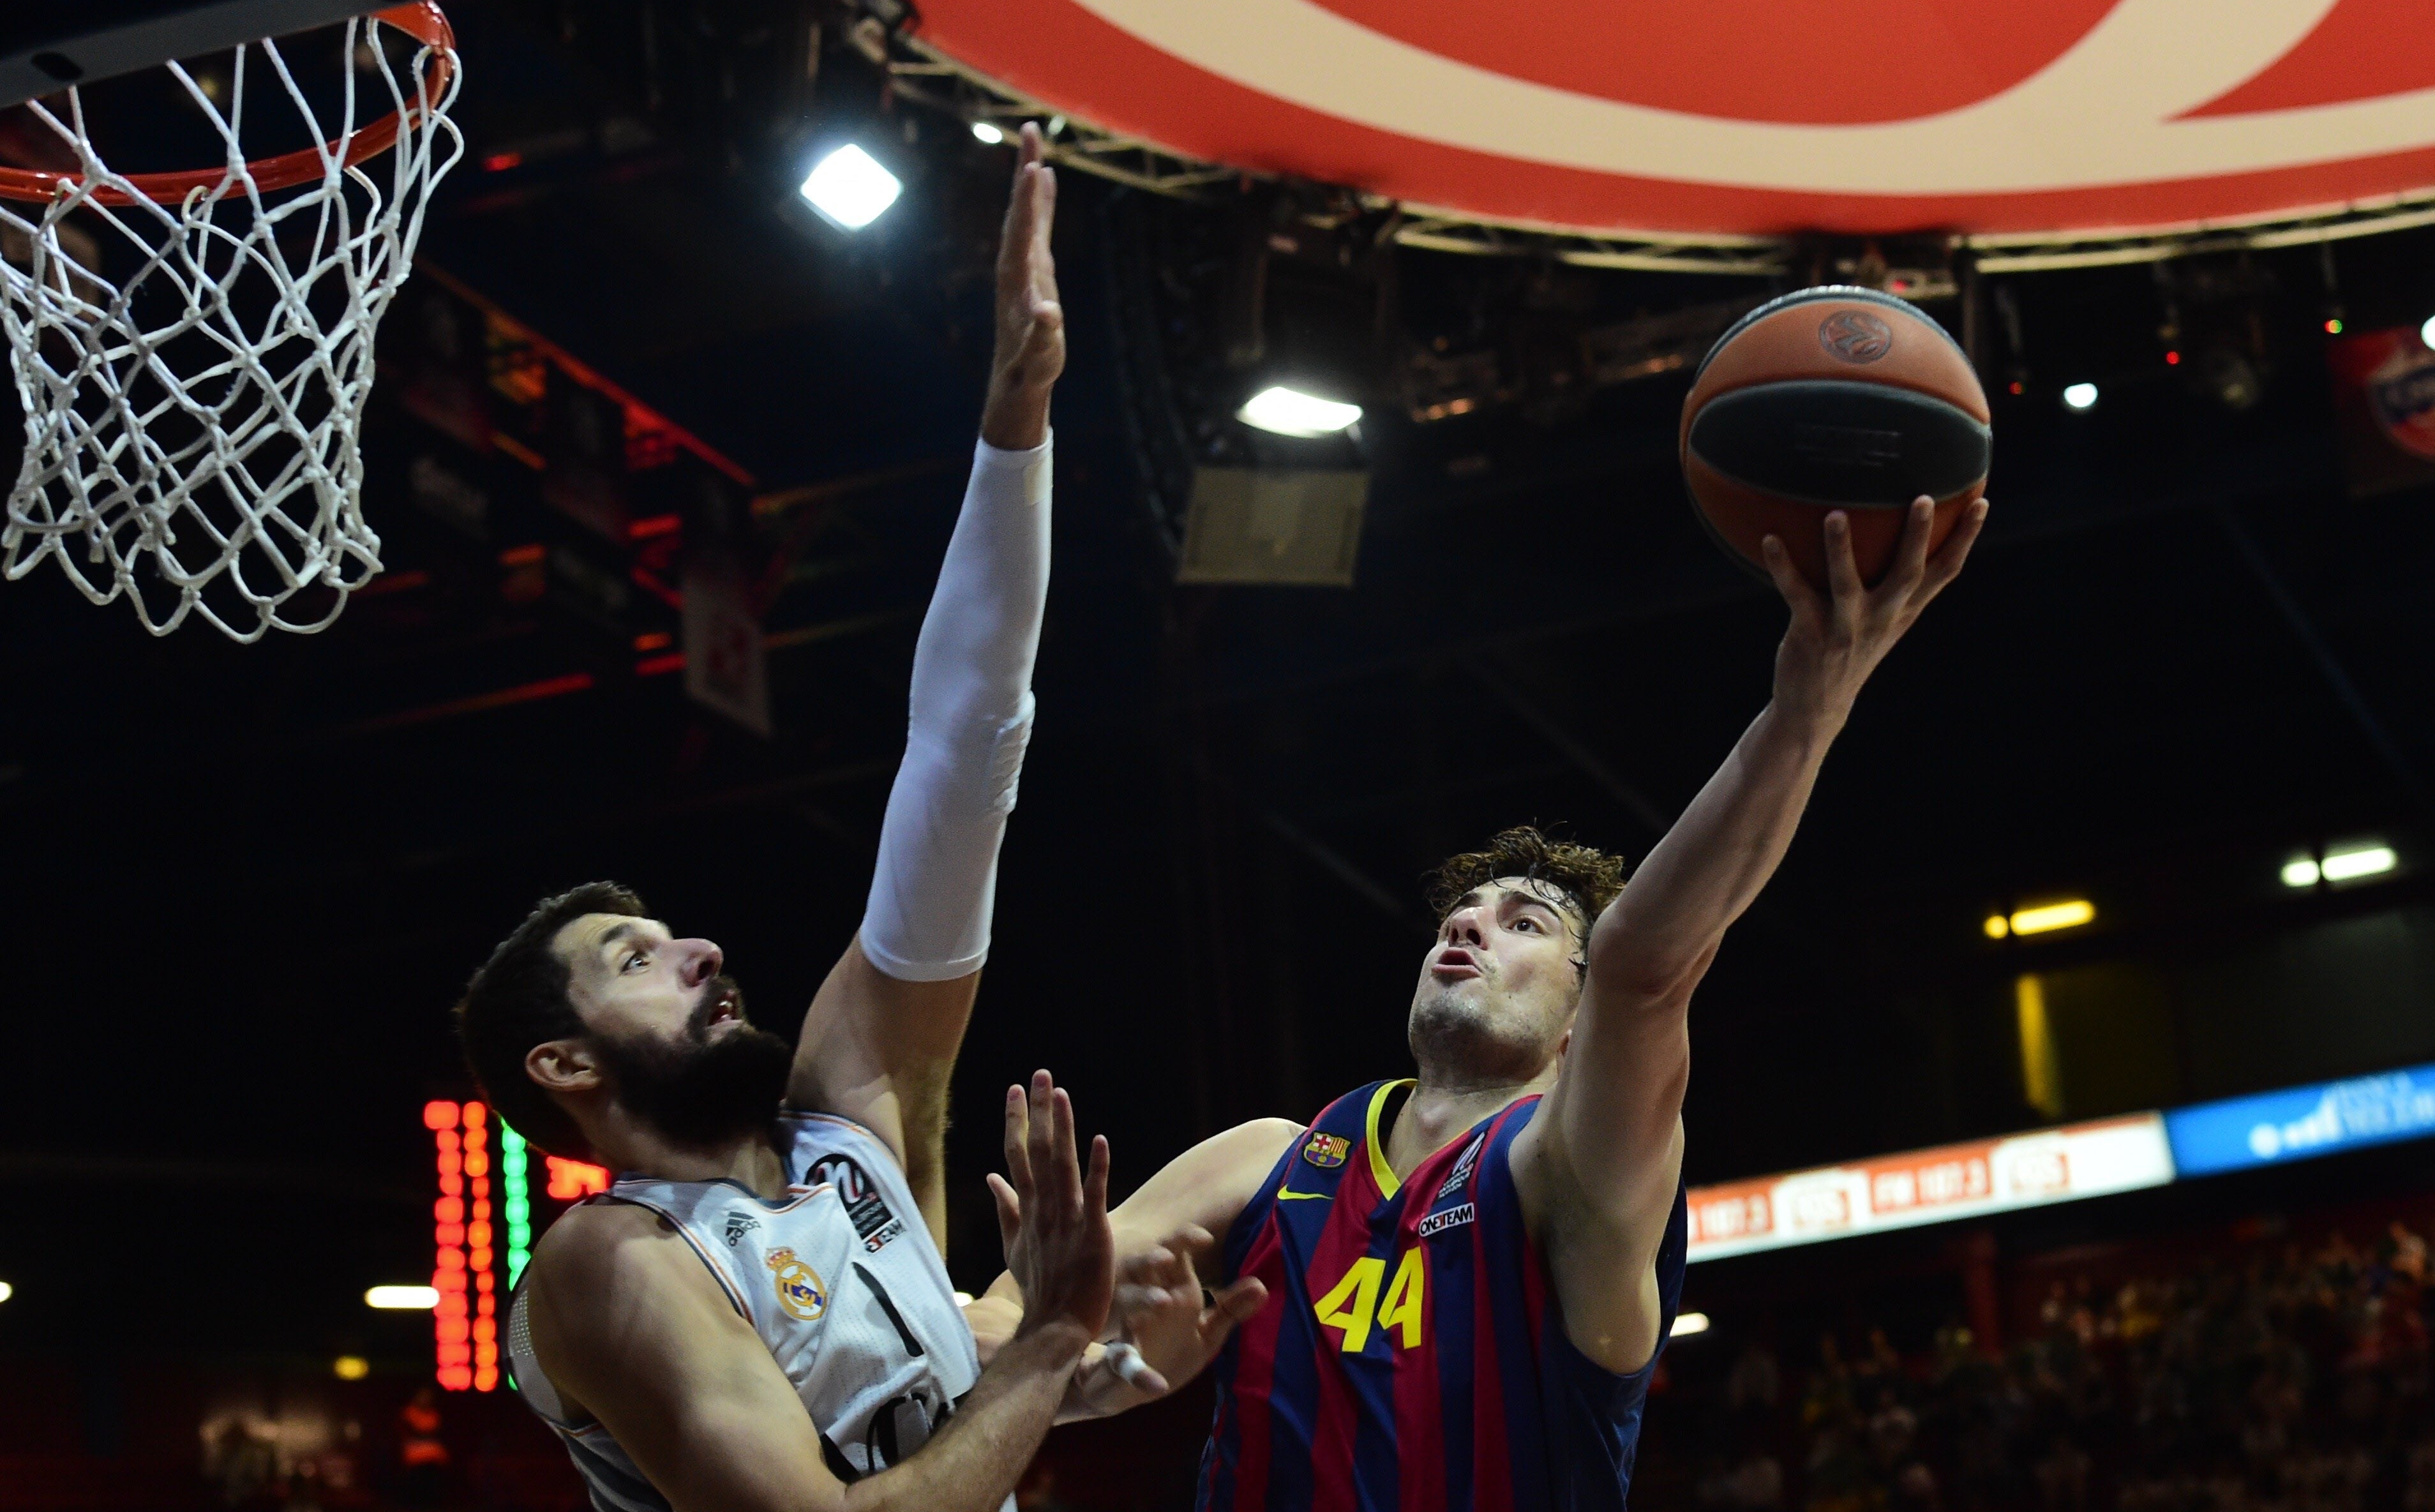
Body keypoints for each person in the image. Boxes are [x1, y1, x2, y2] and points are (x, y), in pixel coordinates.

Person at [977, 497, 1988, 1509]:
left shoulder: (1567, 1171)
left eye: (1525, 925)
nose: (1466, 930)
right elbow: (1005, 1320)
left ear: (1578, 1019)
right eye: (1459, 917)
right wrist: (1049, 1351)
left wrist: (1809, 705)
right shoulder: (1272, 1158)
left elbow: (1645, 964)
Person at [454, 126, 1186, 1512]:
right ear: (563, 1065)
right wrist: (1041, 1353)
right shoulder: (609, 1265)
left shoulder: (854, 1119)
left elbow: (963, 758)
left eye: (671, 935)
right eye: (636, 959)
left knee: (1269, 1156)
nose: (701, 950)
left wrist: (1015, 425)